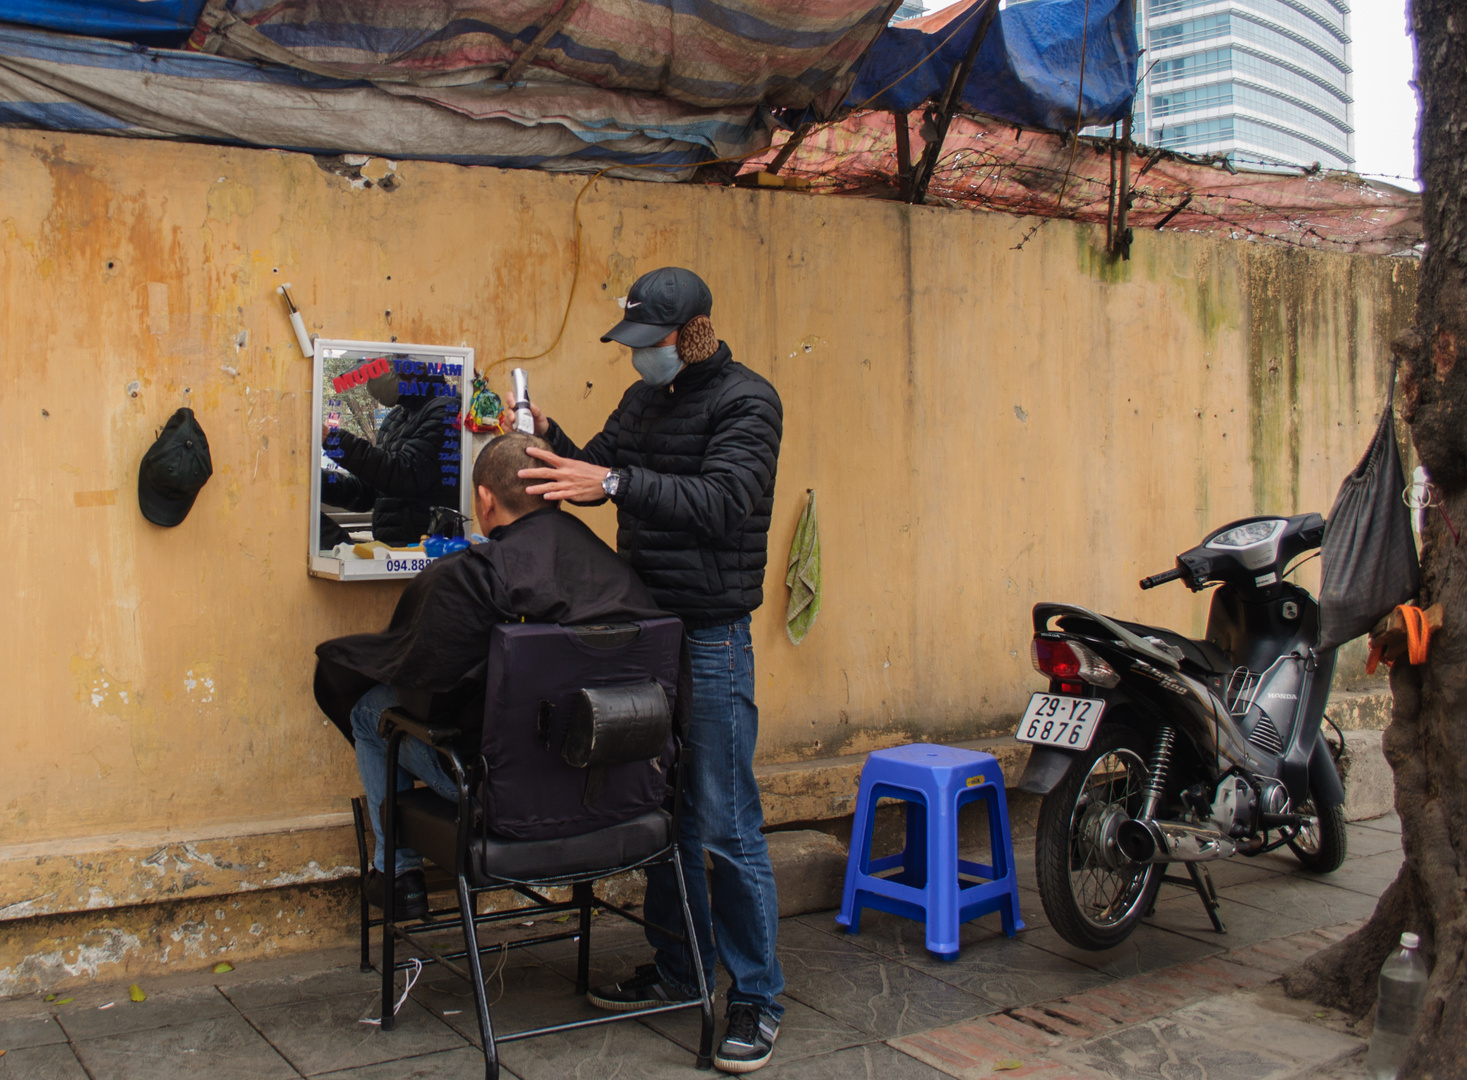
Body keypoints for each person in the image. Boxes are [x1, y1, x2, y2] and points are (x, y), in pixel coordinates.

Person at [517, 266, 786, 1073]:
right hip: (647, 634)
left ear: (694, 332)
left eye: (652, 343)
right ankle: (677, 969)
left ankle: (756, 997)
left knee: (724, 818)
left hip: (710, 639)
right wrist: (546, 442)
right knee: (670, 811)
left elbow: (723, 500)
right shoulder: (642, 402)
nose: (640, 358)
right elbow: (595, 472)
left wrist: (613, 480)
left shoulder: (747, 400)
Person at [312, 433, 665, 918]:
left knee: (373, 710)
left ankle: (397, 874)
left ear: (484, 498)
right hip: (619, 789)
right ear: (555, 491)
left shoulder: (472, 575)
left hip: (510, 796)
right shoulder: (618, 572)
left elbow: (423, 695)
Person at [320, 362, 461, 547]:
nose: (373, 384)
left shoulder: (448, 408)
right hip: (391, 550)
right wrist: (316, 481)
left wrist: (335, 441)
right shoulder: (395, 418)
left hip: (426, 551)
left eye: (377, 374)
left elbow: (406, 473)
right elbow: (367, 491)